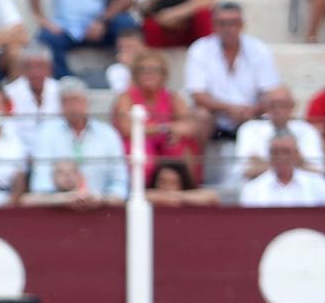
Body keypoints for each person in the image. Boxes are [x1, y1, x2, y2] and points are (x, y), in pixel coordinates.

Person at [184, 2, 279, 139]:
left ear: (242, 25)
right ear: (214, 25)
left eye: (233, 23)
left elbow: (270, 91)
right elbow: (198, 94)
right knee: (200, 115)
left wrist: (253, 110)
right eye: (222, 23)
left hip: (251, 114)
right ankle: (199, 160)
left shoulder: (259, 49)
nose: (228, 28)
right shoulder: (199, 49)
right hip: (214, 115)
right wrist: (229, 109)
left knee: (277, 109)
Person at [28, 76, 125, 198]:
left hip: (102, 206)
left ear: (87, 102)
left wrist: (102, 199)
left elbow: (120, 182)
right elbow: (41, 182)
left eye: (77, 100)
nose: (73, 107)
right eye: (67, 101)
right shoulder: (46, 132)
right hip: (58, 207)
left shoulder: (108, 134)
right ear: (60, 105)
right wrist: (64, 199)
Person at [112, 52, 201, 182]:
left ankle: (185, 189)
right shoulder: (126, 97)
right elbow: (127, 129)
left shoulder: (173, 97)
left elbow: (189, 125)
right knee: (142, 150)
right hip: (138, 142)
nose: (149, 75)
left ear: (163, 75)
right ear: (136, 74)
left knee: (179, 146)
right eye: (143, 70)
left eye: (154, 70)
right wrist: (163, 128)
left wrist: (170, 131)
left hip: (164, 142)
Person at [239, 132, 325, 205]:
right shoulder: (253, 189)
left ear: (296, 154)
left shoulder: (314, 182)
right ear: (269, 156)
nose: (281, 157)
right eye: (275, 152)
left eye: (286, 152)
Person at [236, 85, 325, 177]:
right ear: (265, 106)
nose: (278, 109)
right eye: (273, 105)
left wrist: (266, 164)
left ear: (293, 106)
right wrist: (297, 163)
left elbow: (318, 171)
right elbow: (245, 171)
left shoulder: (307, 130)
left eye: (283, 105)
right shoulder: (249, 129)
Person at [145, 157, 220, 203]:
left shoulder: (191, 198)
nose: (167, 187)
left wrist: (175, 196)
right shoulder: (143, 198)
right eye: (163, 181)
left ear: (183, 183)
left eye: (173, 182)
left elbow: (212, 197)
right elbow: (144, 195)